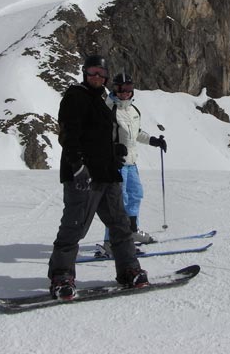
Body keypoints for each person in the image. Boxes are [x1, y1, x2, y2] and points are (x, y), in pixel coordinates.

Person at [48, 55, 148, 300]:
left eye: (102, 74)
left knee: (120, 224)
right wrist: (78, 166)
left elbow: (100, 136)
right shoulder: (75, 96)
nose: (97, 77)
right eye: (93, 72)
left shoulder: (102, 101)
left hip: (107, 174)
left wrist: (115, 152)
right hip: (84, 175)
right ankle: (62, 277)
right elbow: (69, 135)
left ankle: (128, 270)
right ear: (84, 72)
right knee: (74, 227)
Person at [98, 72, 167, 257]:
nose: (125, 93)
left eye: (128, 89)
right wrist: (112, 151)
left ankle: (131, 231)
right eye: (121, 89)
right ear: (114, 89)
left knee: (135, 195)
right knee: (117, 203)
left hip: (131, 163)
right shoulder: (109, 109)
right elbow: (101, 137)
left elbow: (136, 133)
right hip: (116, 164)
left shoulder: (133, 110)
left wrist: (154, 141)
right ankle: (110, 242)